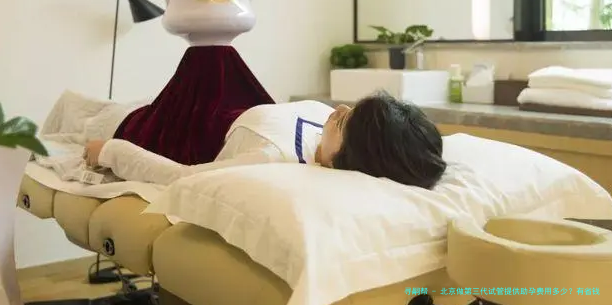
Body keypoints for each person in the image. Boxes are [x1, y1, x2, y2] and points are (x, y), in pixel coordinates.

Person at [84, 92, 447, 189]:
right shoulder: (327, 138)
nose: (337, 108)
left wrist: (111, 152)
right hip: (204, 104)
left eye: (343, 120)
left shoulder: (271, 161)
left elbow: (184, 178)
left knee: (76, 114)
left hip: (159, 125)